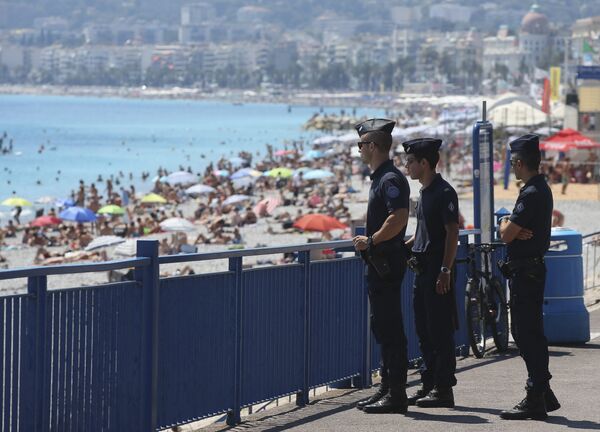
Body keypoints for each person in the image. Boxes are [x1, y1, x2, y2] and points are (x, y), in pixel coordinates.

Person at [499, 134, 560, 420]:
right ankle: (542, 391)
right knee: (529, 331)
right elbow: (513, 231)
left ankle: (536, 393)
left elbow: (507, 234)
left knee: (525, 332)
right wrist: (510, 227)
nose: (512, 167)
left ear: (520, 163)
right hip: (529, 269)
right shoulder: (539, 189)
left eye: (513, 163)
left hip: (527, 272)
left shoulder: (532, 192)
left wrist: (504, 224)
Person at [351, 118, 411, 414]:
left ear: (373, 146)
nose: (359, 149)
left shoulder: (389, 179)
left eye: (361, 144)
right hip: (379, 264)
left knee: (389, 328)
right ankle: (386, 388)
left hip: (385, 262)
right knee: (382, 327)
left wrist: (371, 240)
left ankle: (396, 392)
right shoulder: (382, 178)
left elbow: (398, 217)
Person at [403, 137, 459, 408]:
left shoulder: (444, 192)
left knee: (439, 330)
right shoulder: (424, 193)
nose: (407, 167)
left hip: (438, 270)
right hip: (422, 270)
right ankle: (429, 383)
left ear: (424, 163)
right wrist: (402, 248)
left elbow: (452, 232)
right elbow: (421, 232)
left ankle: (444, 388)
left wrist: (446, 270)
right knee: (423, 329)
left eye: (411, 162)